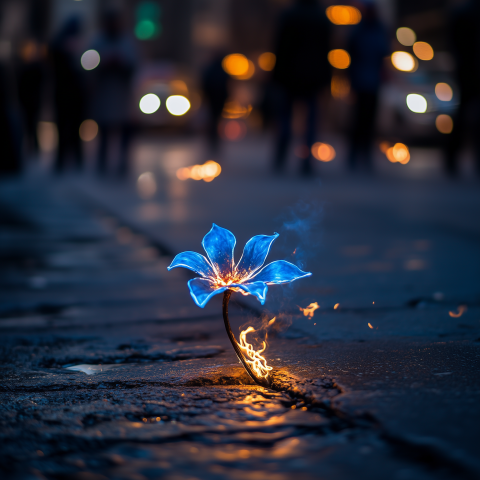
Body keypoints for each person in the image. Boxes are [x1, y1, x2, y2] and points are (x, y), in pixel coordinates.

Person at [271, 0, 331, 176]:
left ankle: (281, 154)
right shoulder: (321, 18)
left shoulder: (288, 15)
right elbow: (326, 50)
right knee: (311, 119)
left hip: (290, 76)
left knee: (286, 116)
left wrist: (276, 76)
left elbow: (280, 48)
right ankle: (307, 159)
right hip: (313, 77)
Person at [90, 10, 136, 177]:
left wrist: (121, 62)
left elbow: (134, 63)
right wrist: (103, 62)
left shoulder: (126, 41)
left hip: (122, 96)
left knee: (124, 131)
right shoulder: (98, 41)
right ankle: (102, 163)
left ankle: (122, 163)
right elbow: (87, 63)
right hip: (104, 94)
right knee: (104, 132)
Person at [347, 1, 389, 172]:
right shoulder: (365, 31)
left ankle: (362, 153)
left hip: (370, 81)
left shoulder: (370, 30)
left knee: (367, 119)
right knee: (360, 119)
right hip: (363, 80)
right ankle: (357, 153)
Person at [445, 0, 480, 177]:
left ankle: (452, 158)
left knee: (462, 114)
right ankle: (452, 157)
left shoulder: (463, 13)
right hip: (467, 72)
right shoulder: (465, 14)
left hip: (466, 71)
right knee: (462, 114)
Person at [50, 16, 85, 173]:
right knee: (64, 129)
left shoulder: (76, 47)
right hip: (64, 95)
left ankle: (75, 161)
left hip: (73, 96)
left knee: (75, 129)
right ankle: (63, 161)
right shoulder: (59, 48)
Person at [201, 52, 229, 160]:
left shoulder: (210, 69)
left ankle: (213, 140)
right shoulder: (222, 70)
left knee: (213, 120)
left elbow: (204, 82)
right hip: (218, 100)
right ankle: (214, 140)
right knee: (216, 120)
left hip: (212, 100)